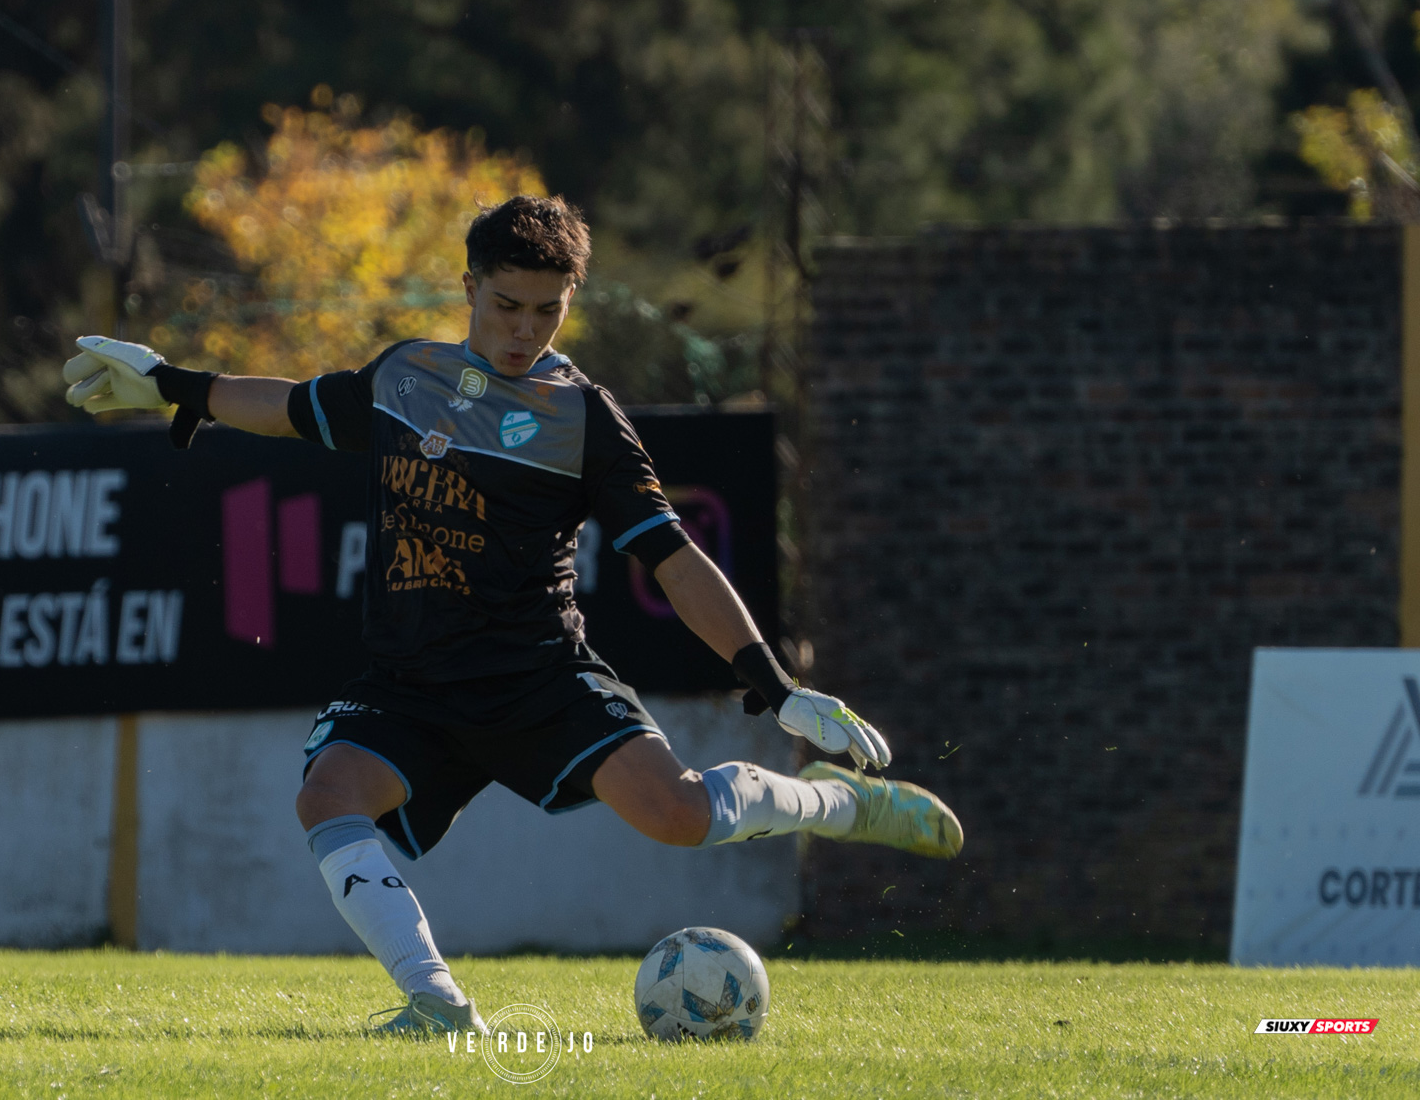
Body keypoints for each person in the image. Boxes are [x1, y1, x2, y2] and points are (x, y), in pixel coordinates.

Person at [62, 195, 963, 1036]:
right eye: (506, 306)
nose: (525, 331)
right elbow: (293, 407)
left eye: (546, 311)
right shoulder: (406, 376)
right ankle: (436, 1003)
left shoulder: (585, 419)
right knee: (327, 795)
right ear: (469, 290)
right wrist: (177, 384)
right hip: (412, 680)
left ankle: (837, 803)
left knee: (680, 815)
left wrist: (775, 685)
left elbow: (675, 558)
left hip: (538, 675)